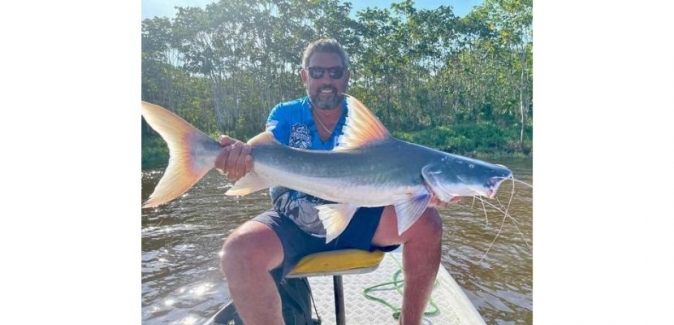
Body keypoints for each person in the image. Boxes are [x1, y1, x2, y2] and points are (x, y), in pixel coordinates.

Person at [214, 38, 447, 325]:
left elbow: (392, 178)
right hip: (294, 222)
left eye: (335, 73)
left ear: (346, 76)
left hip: (357, 216)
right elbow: (262, 149)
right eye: (317, 72)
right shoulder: (285, 115)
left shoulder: (362, 121)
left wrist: (422, 194)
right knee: (237, 252)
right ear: (304, 76)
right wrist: (239, 160)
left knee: (428, 222)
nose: (326, 80)